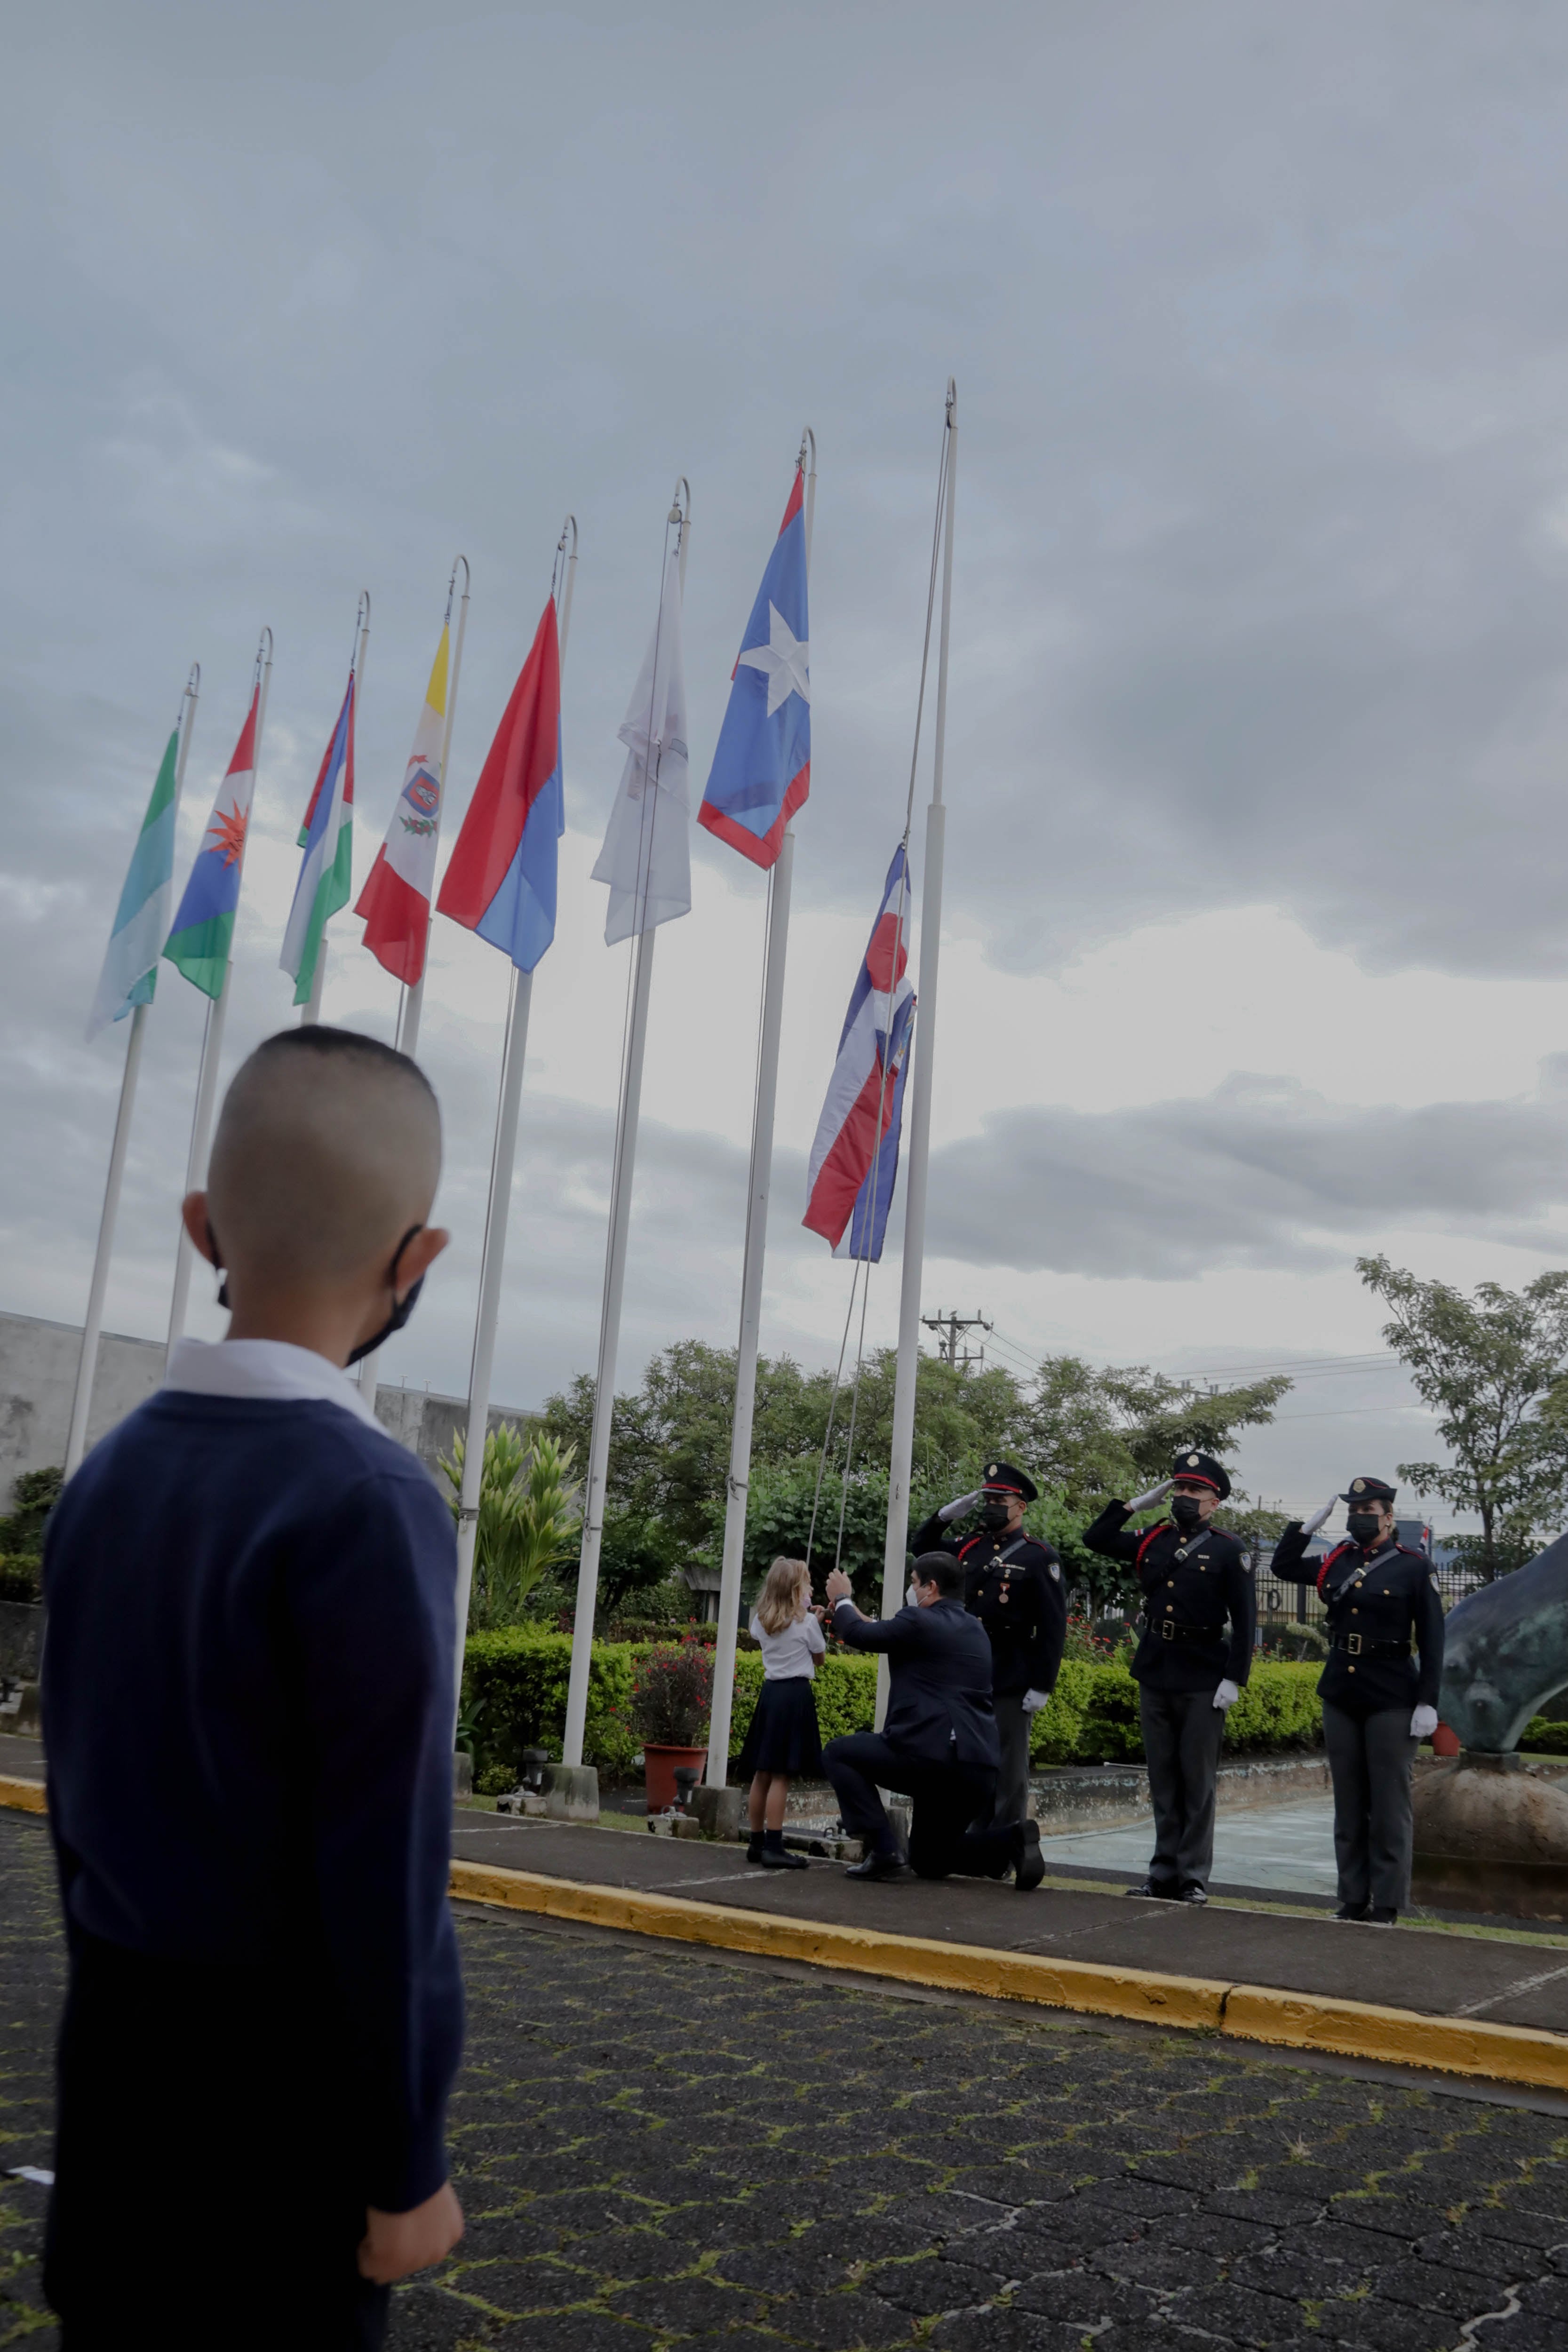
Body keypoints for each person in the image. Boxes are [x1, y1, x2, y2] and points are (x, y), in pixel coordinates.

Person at [41, 1027, 465, 2350]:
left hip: (116, 2080)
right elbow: (384, 1878)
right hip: (287, 2126)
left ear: (197, 1226)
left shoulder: (103, 1477)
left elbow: (77, 1807)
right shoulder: (371, 1498)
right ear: (418, 1260)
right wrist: (403, 2162)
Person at [1272, 1476, 1443, 1925]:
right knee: (1348, 1804)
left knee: (1388, 1806)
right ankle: (1351, 1897)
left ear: (1388, 1516)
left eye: (1368, 1511)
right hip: (1342, 1693)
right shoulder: (1337, 1559)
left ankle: (1386, 1904)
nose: (1359, 1517)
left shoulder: (1413, 1566)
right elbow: (1283, 1566)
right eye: (1354, 1510)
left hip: (1391, 1695)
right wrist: (1304, 1528)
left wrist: (1428, 1700)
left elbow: (1432, 1638)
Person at [1084, 1451, 1253, 1905]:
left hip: (1203, 1675)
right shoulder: (1152, 1539)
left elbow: (1245, 1619)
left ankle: (1193, 1876)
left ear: (1213, 1502)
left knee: (1196, 1781)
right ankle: (1161, 1874)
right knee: (1162, 1778)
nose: (1183, 1497)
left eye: (1193, 1491)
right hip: (1156, 1667)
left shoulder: (1228, 1548)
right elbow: (1096, 1538)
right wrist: (1134, 1505)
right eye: (1178, 1489)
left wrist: (1234, 1678)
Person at [820, 1553, 1046, 1889]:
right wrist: (844, 1614)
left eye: (913, 1582)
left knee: (839, 1753)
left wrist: (841, 1598)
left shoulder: (919, 1621)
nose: (911, 1591)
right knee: (928, 1859)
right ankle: (1010, 1841)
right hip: (976, 1766)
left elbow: (861, 1636)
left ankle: (883, 1850)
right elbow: (882, 1630)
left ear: (931, 1587)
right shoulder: (973, 1627)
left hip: (930, 1755)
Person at [912, 1459, 1065, 1830]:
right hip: (964, 1671)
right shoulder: (969, 1547)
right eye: (989, 1499)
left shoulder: (1038, 1556)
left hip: (1009, 1672)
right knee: (965, 1761)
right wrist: (944, 1516)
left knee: (1007, 1768)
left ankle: (1000, 1849)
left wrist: (1042, 1684)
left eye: (1001, 1500)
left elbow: (1052, 1626)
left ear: (1020, 1507)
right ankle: (968, 1843)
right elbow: (922, 1549)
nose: (993, 1506)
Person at [737, 1555, 825, 1871]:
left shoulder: (760, 1621)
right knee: (781, 1775)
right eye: (807, 1584)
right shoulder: (808, 1623)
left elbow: (774, 1632)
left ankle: (756, 1842)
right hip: (794, 1695)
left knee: (762, 1772)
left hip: (771, 1694)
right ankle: (775, 1845)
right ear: (795, 1590)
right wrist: (815, 1618)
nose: (810, 1588)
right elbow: (819, 1659)